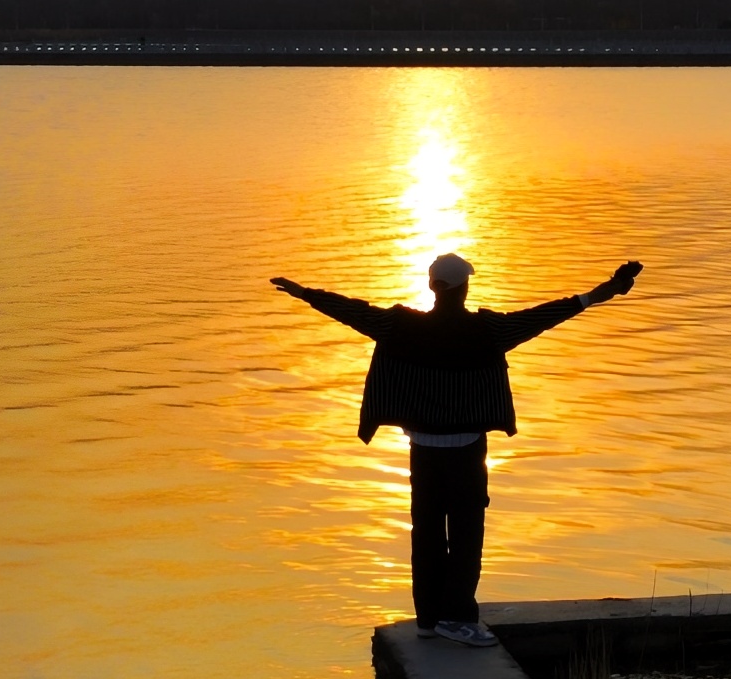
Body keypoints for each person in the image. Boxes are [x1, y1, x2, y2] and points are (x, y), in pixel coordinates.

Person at [271, 254, 642, 647]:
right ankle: (458, 618)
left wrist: (303, 293)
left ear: (433, 287)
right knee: (466, 535)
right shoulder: (488, 331)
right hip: (466, 452)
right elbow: (546, 315)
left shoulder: (399, 327)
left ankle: (429, 618)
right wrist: (605, 292)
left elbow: (351, 311)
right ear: (464, 288)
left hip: (423, 452)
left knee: (426, 533)